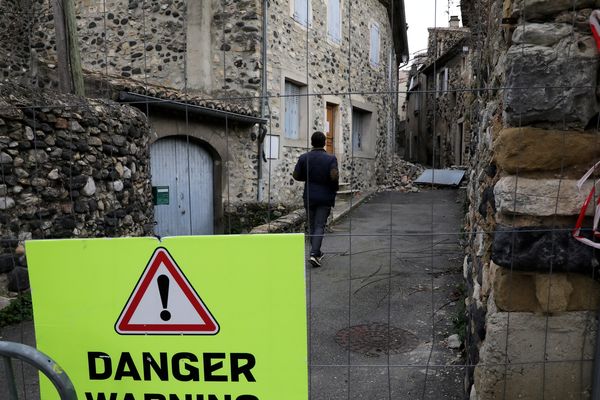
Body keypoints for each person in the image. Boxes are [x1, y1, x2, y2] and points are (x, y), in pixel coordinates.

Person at [292, 131, 339, 267]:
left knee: (312, 225)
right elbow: (334, 176)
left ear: (312, 142)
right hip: (325, 196)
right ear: (324, 143)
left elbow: (296, 175)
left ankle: (316, 252)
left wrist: (307, 178)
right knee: (319, 225)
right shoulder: (331, 159)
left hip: (309, 196)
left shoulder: (303, 158)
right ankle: (314, 254)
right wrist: (333, 189)